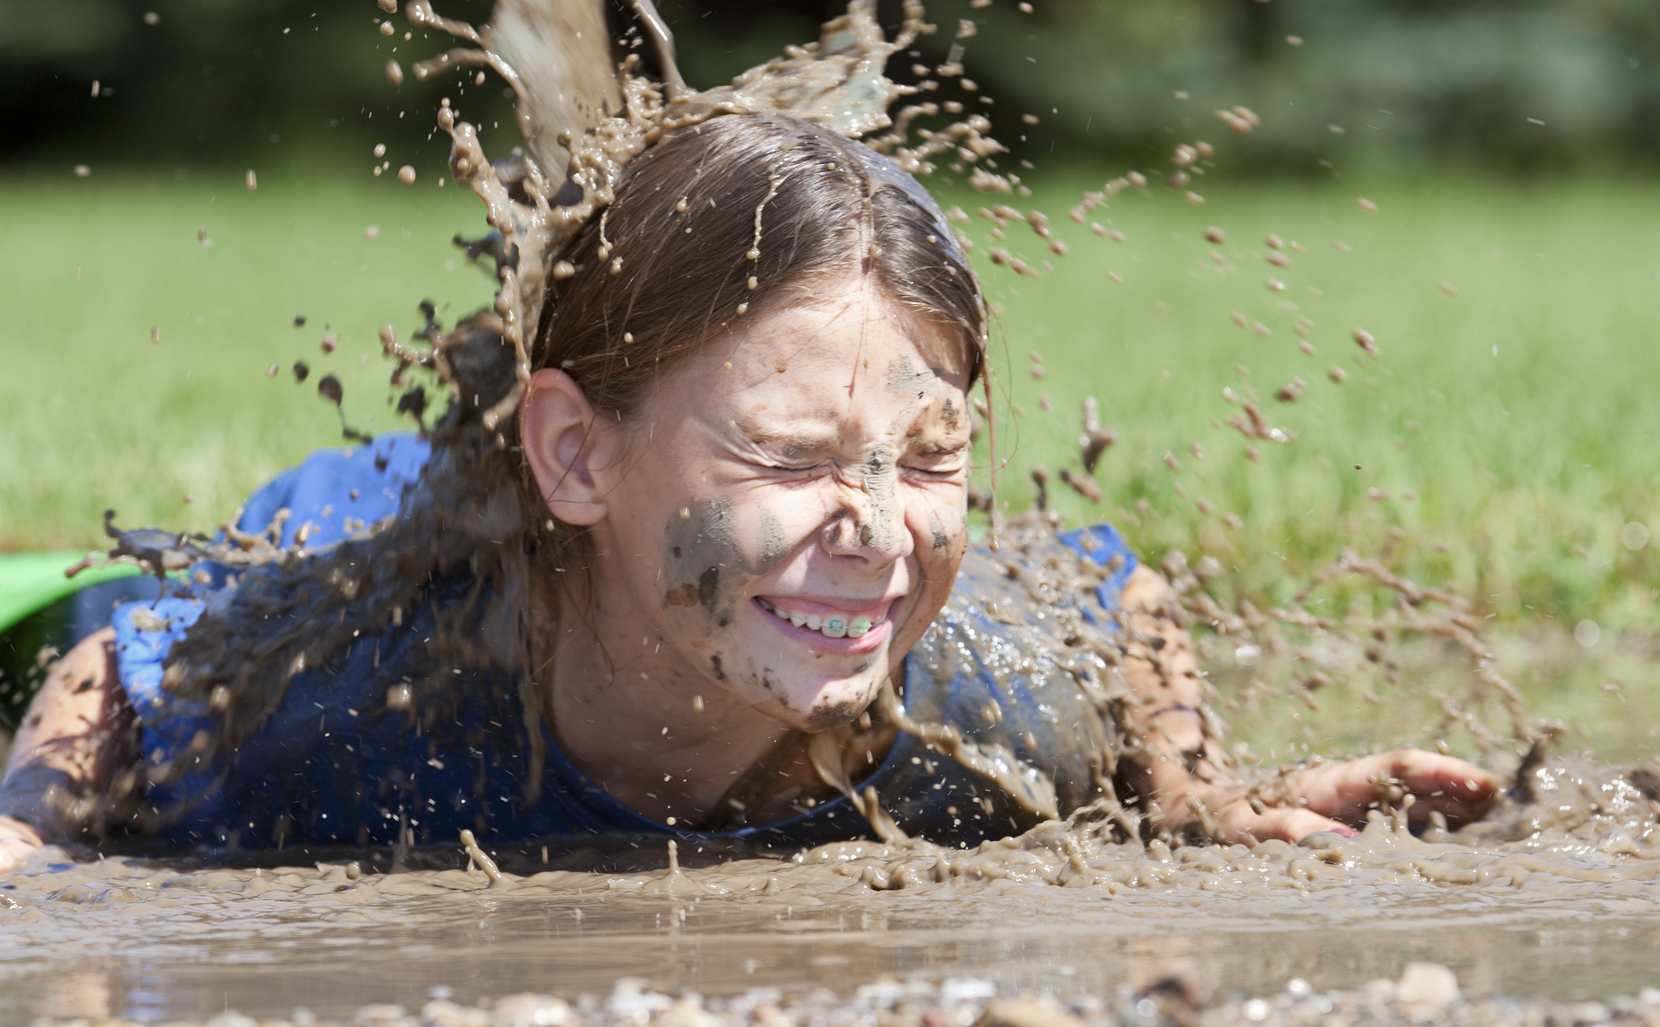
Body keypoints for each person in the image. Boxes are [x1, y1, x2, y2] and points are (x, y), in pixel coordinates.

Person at [0, 114, 1495, 873]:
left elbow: (1112, 594)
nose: (876, 529)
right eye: (785, 458)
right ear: (579, 454)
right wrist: (33, 843)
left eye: (926, 460)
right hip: (363, 530)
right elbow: (120, 687)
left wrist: (1183, 788)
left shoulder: (973, 705)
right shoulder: (369, 701)